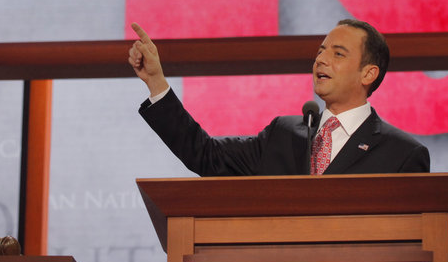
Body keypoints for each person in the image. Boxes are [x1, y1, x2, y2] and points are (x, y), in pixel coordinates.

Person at [128, 19, 430, 176]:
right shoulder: (283, 135)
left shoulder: (402, 154)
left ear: (368, 74)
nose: (321, 60)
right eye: (321, 51)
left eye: (338, 54)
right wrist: (156, 82)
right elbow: (205, 155)